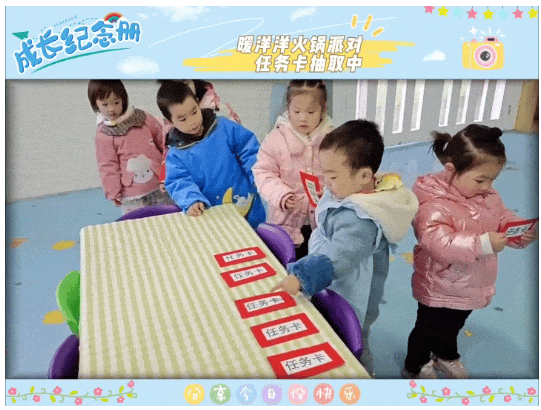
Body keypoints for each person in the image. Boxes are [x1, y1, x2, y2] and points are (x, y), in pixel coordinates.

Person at [271, 119, 419, 376]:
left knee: (353, 338)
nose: (326, 182)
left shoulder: (361, 220)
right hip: (331, 276)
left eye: (332, 176)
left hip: (351, 288)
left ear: (364, 176)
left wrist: (301, 277)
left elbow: (338, 256)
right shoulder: (352, 188)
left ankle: (363, 375)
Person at [401, 124, 538, 379]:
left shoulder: (488, 195)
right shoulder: (433, 204)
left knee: (453, 325)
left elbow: (501, 216)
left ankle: (445, 354)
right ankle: (416, 365)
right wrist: (482, 244)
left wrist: (518, 231)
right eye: (481, 179)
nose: (487, 186)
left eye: (493, 179)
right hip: (439, 285)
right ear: (451, 170)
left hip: (472, 282)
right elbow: (437, 242)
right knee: (427, 329)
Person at [156, 80, 265, 228]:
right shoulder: (175, 155)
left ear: (198, 102)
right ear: (169, 121)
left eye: (194, 112)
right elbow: (178, 182)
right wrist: (191, 201)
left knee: (258, 237)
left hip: (247, 202)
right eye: (183, 119)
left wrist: (259, 177)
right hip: (213, 217)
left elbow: (249, 150)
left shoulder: (224, 127)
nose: (192, 121)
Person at [253, 80, 334, 260]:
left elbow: (342, 171)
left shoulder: (333, 139)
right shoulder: (276, 139)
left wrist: (329, 192)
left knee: (318, 264)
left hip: (321, 220)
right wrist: (280, 194)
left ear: (323, 110)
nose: (302, 118)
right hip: (286, 221)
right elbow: (263, 172)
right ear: (288, 108)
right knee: (287, 263)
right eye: (296, 111)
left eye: (311, 112)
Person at [88, 80, 175, 214]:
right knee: (137, 222)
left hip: (160, 185)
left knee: (169, 216)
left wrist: (172, 170)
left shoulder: (143, 118)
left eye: (116, 102)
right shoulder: (104, 134)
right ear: (95, 104)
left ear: (123, 99)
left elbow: (163, 141)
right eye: (105, 104)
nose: (111, 109)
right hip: (132, 195)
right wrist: (113, 192)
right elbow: (108, 165)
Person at [157, 80, 242, 183]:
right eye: (183, 119)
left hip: (231, 171)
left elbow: (240, 139)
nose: (192, 122)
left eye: (185, 82)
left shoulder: (218, 110)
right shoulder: (172, 127)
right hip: (203, 181)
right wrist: (164, 178)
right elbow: (169, 157)